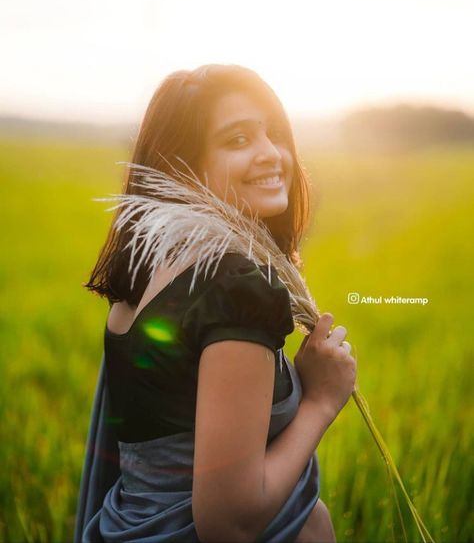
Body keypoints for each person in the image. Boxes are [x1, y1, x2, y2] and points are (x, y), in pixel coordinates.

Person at [75, 64, 356, 543]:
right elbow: (229, 523)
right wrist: (320, 402)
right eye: (238, 140)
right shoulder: (234, 288)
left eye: (274, 134)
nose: (271, 155)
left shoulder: (147, 269)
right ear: (181, 163)